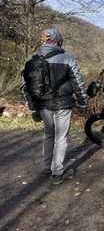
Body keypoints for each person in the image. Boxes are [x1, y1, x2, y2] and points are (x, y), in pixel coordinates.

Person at [22, 28, 88, 185]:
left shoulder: (32, 61)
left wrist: (33, 109)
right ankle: (57, 172)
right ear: (58, 41)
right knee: (61, 137)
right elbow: (78, 83)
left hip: (43, 105)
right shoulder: (67, 58)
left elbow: (26, 88)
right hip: (62, 104)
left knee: (49, 134)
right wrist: (83, 103)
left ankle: (47, 166)